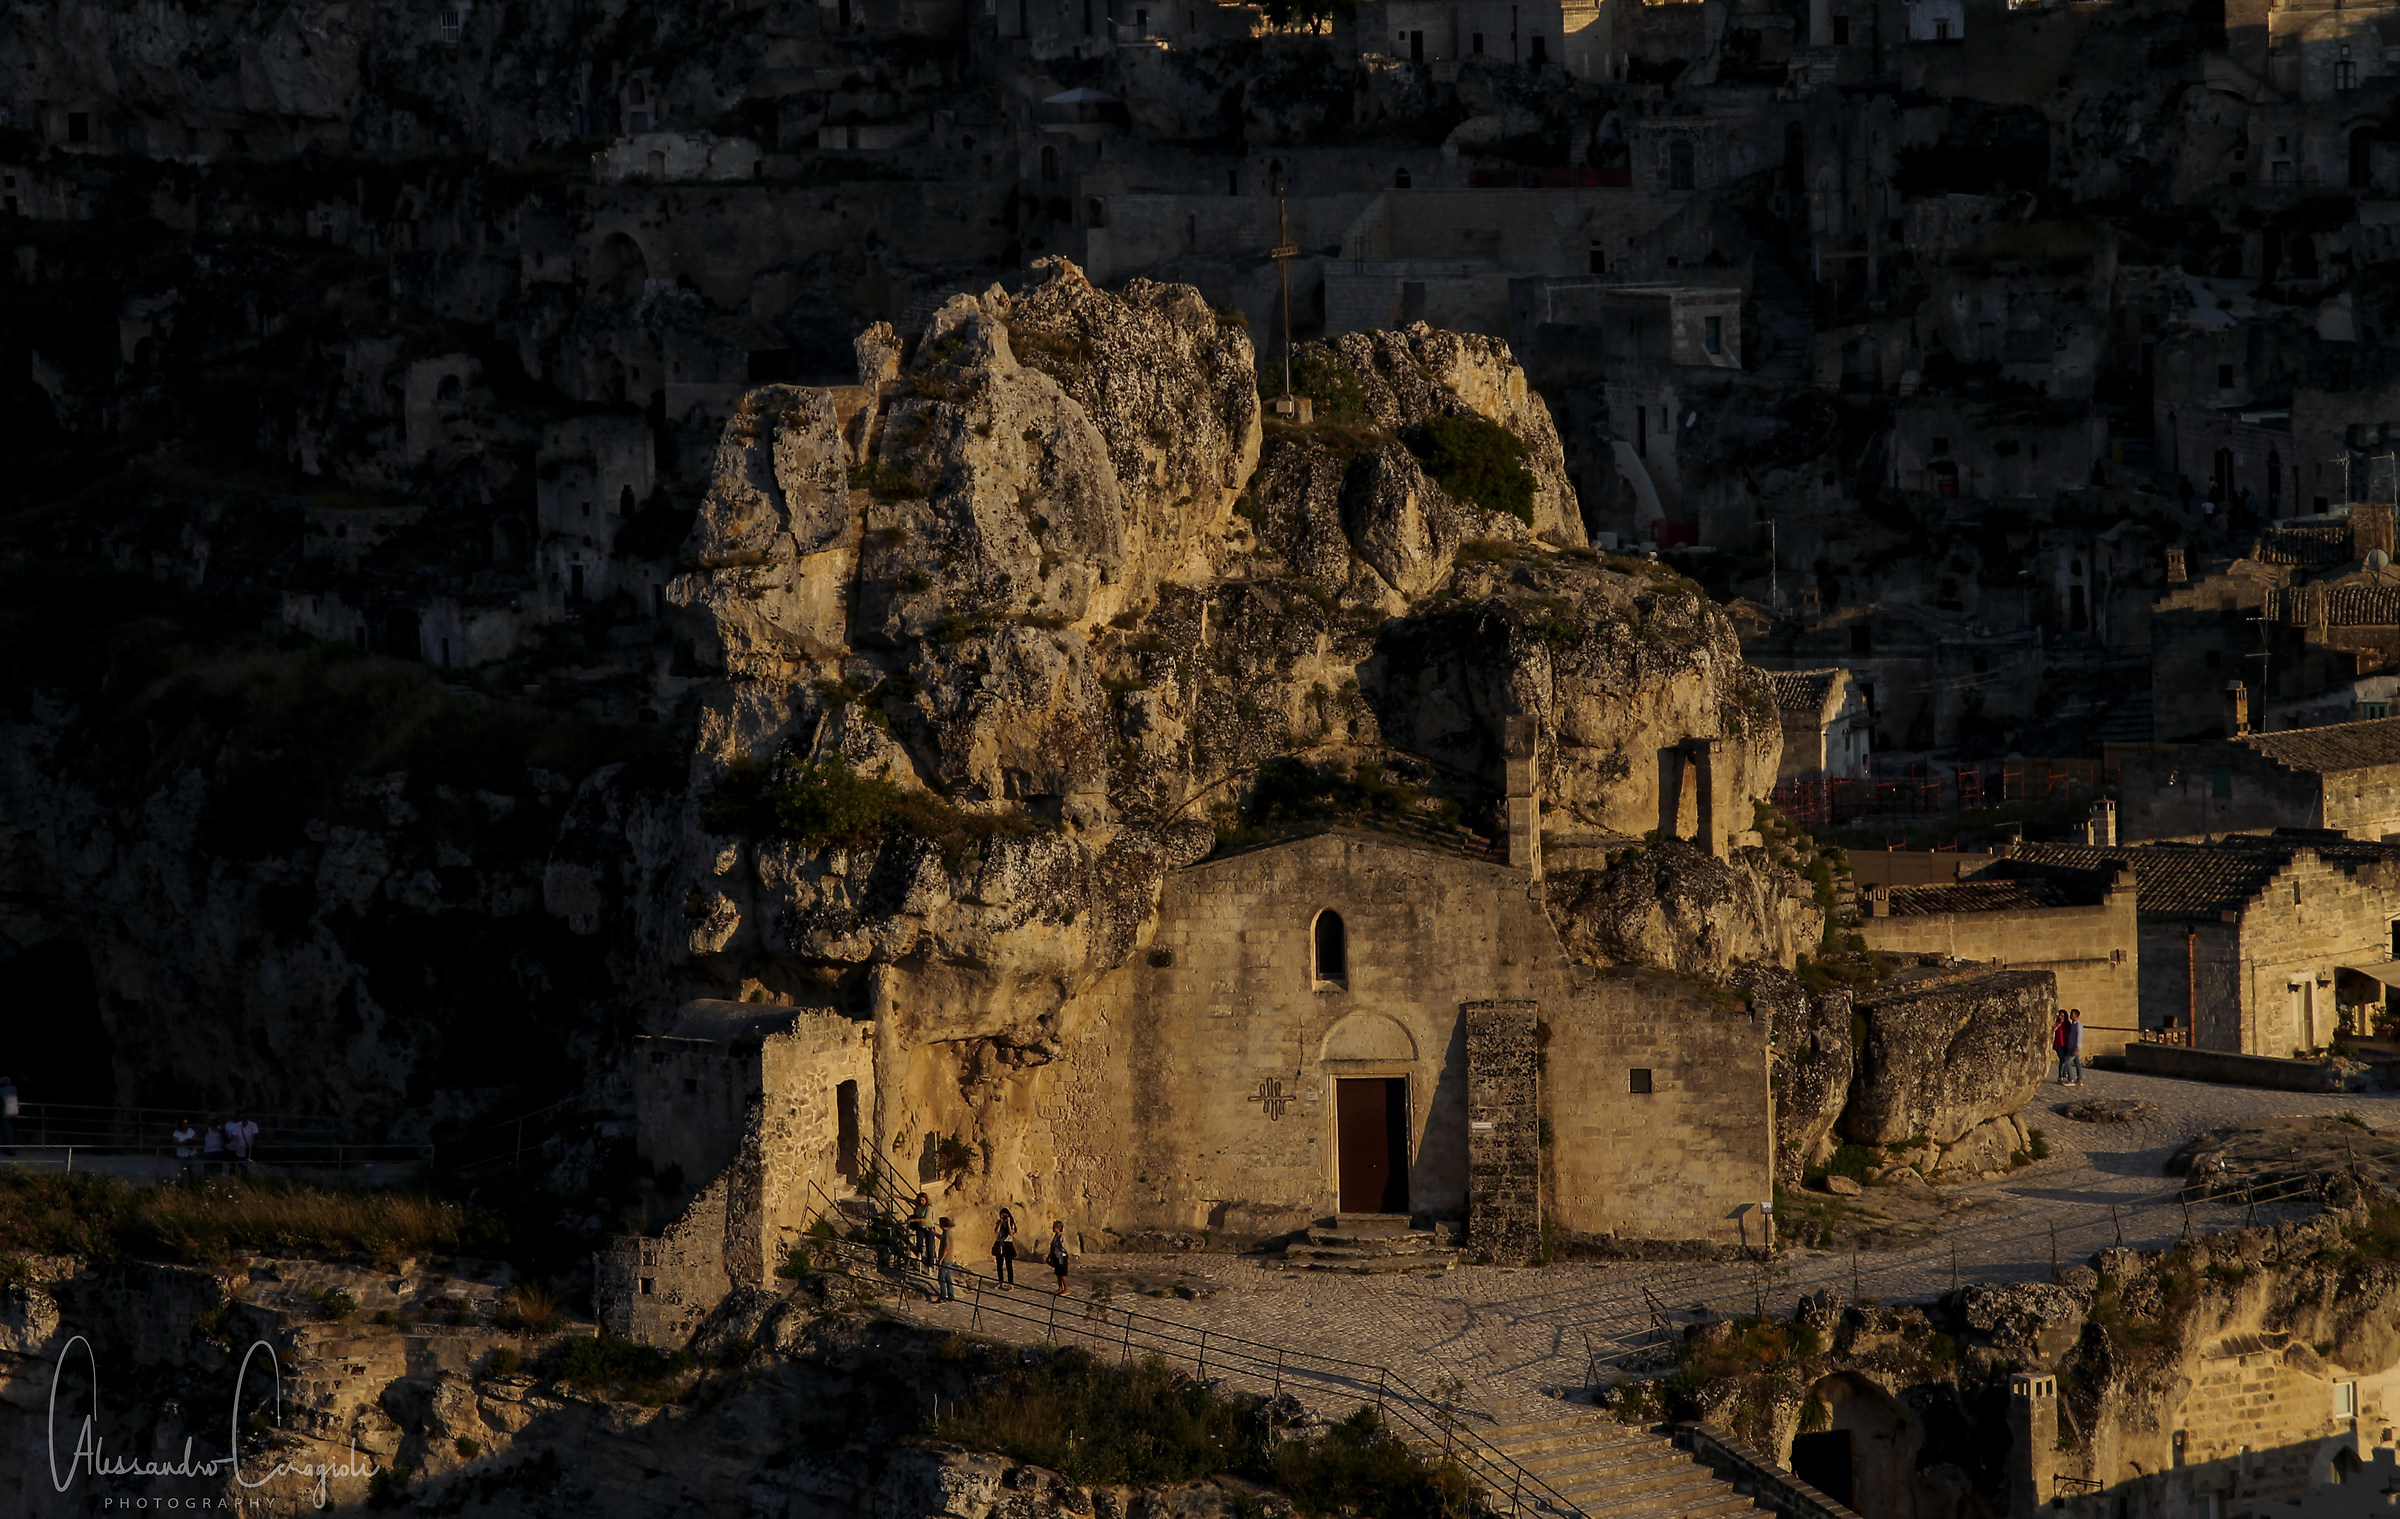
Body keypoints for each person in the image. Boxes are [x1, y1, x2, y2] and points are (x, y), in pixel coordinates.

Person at [991, 1207, 1018, 1289]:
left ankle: (1010, 1283)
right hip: (999, 1244)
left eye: (1005, 1216)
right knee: (999, 1265)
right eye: (1002, 1215)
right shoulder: (999, 1222)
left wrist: (1008, 1222)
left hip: (1008, 1244)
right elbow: (996, 1231)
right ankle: (1000, 1282)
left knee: (1009, 1265)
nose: (1003, 1217)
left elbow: (1011, 1233)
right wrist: (1000, 1223)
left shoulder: (1011, 1223)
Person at [909, 1192, 934, 1267]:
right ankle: (919, 1254)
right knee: (919, 1242)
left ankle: (930, 1265)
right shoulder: (918, 1206)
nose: (921, 1202)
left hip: (929, 1228)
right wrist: (897, 1196)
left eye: (923, 1200)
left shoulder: (928, 1208)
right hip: (920, 1227)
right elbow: (908, 1199)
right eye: (920, 1200)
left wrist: (914, 1220)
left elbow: (926, 1219)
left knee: (929, 1247)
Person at [1046, 1220, 1070, 1296]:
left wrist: (1066, 1255)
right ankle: (1060, 1288)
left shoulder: (1061, 1237)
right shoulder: (1055, 1237)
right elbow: (1052, 1248)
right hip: (1057, 1256)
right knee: (1058, 1274)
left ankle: (1066, 1289)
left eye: (1054, 1227)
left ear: (1058, 1228)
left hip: (1062, 1257)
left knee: (1063, 1274)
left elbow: (1065, 1248)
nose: (1053, 1228)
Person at [936, 1217, 956, 1302]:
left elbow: (947, 1248)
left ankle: (943, 1296)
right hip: (949, 1259)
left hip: (946, 1260)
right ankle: (951, 1296)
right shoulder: (947, 1232)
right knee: (948, 1278)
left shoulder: (947, 1234)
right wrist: (934, 1233)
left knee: (941, 1278)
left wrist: (941, 1260)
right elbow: (941, 1238)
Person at [2062, 1009, 2085, 1086]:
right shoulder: (2072, 1025)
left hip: (2075, 1048)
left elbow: (2079, 1037)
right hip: (2071, 1046)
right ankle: (2079, 1080)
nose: (2071, 1015)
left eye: (2072, 1014)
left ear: (2076, 1015)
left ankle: (2071, 1079)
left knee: (2067, 1063)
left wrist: (2076, 1048)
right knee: (2077, 1063)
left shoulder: (2078, 1025)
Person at [2052, 1009, 2072, 1084]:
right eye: (2060, 1015)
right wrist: (2058, 1025)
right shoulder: (2057, 1023)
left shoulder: (2068, 1024)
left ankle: (2064, 1076)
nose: (2061, 1017)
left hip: (2066, 1044)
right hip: (2058, 1044)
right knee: (2062, 1059)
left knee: (2065, 1061)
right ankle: (2060, 1077)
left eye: (2062, 1016)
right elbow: (2053, 1030)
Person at [0, 1075, 15, 1152]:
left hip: (6, 1112)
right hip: (14, 1111)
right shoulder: (14, 1088)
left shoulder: (1, 1090)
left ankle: (10, 1149)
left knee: (7, 1130)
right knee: (11, 1130)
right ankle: (11, 1147)